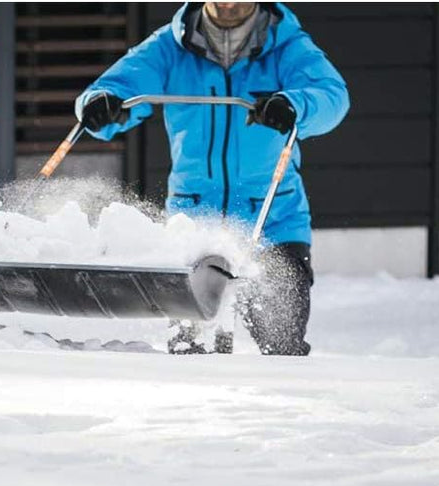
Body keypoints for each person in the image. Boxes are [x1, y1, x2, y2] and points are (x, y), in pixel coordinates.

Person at [75, 2, 348, 355]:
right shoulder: (171, 45)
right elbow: (111, 89)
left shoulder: (287, 44)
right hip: (195, 227)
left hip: (273, 223)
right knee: (191, 354)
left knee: (283, 348)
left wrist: (294, 105)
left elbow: (332, 96)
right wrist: (100, 105)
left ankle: (281, 410)